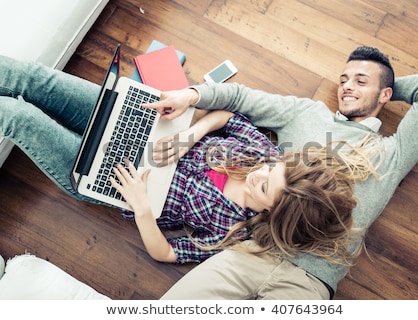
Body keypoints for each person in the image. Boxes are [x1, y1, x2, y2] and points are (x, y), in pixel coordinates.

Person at [0, 53, 374, 267]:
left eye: (264, 185)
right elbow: (228, 117)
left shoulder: (236, 231)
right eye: (271, 168)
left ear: (272, 212)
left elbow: (165, 252)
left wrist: (143, 209)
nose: (261, 170)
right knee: (34, 79)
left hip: (110, 180)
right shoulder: (268, 156)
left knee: (17, 117)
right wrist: (189, 135)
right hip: (137, 125)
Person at [142, 46, 418, 299]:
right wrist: (192, 95)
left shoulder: (391, 153)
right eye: (344, 79)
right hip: (253, 251)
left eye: (360, 80)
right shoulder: (307, 113)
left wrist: (387, 85)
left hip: (309, 281)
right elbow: (240, 98)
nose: (347, 86)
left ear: (385, 95)